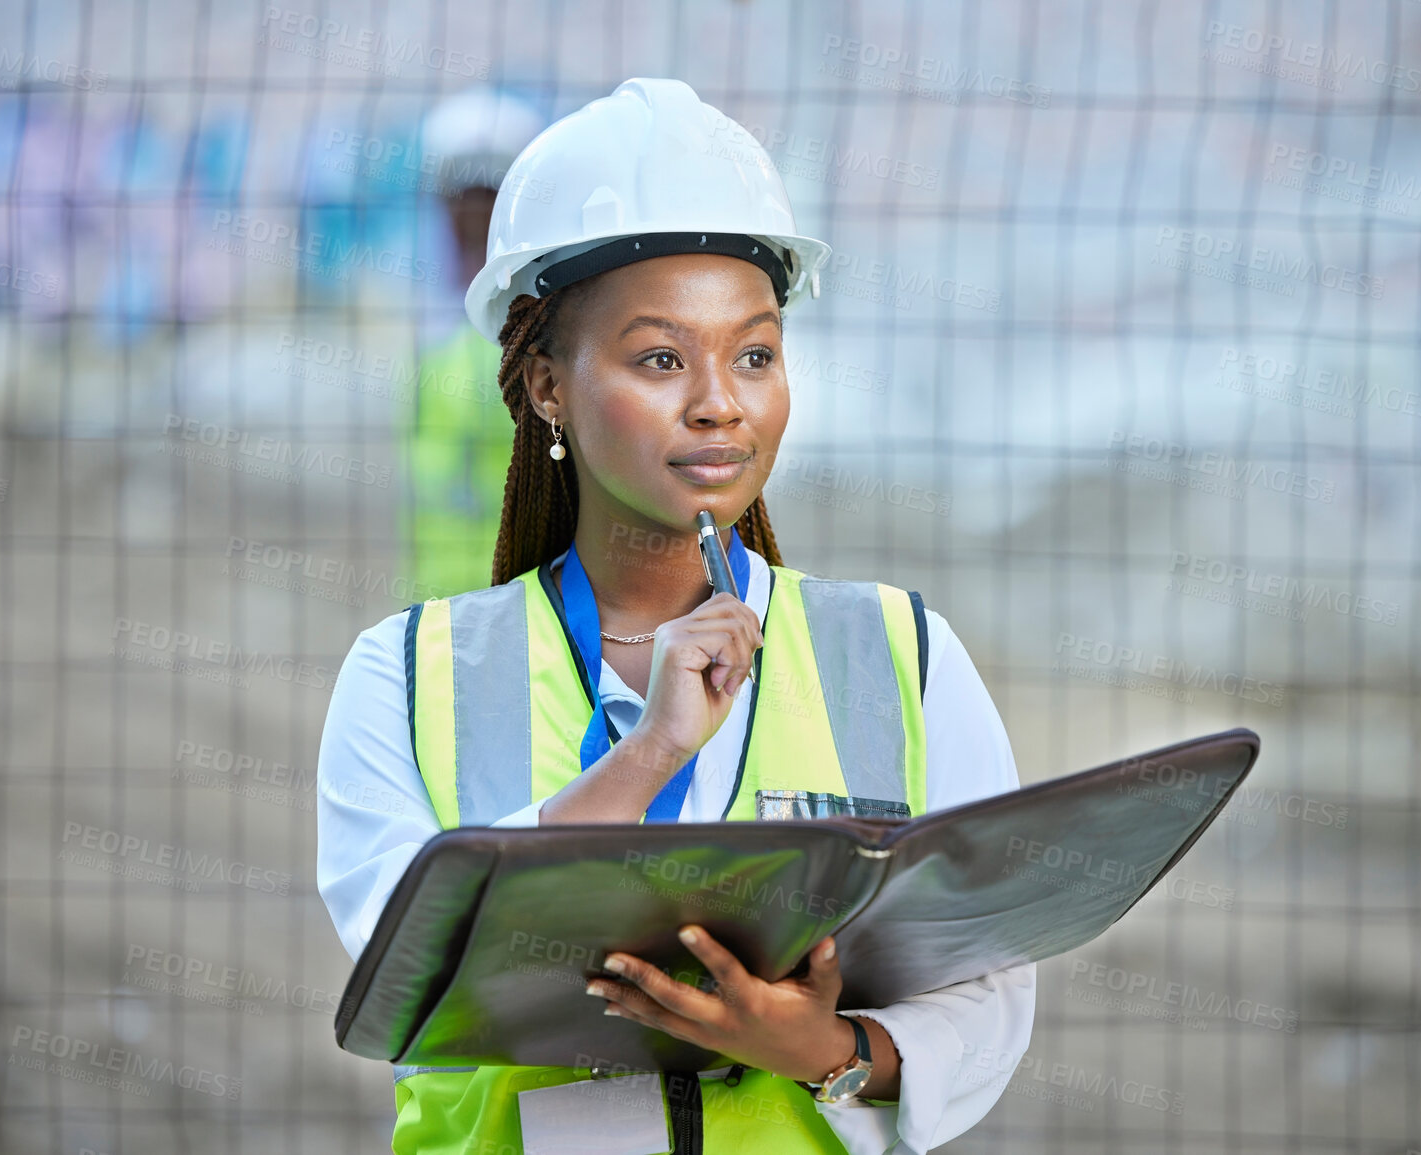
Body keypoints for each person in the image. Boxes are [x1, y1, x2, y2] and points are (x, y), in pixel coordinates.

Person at [318, 77, 1037, 1155]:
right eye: (661, 357)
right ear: (548, 385)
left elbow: (989, 1002)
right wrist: (648, 753)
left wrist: (822, 1050)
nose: (719, 401)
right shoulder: (403, 675)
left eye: (754, 352)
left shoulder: (904, 656)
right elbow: (407, 973)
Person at [405, 87, 547, 598]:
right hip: (441, 601)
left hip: (526, 596)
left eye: (488, 195)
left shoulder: (544, 326)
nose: (470, 213)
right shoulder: (429, 313)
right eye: (459, 194)